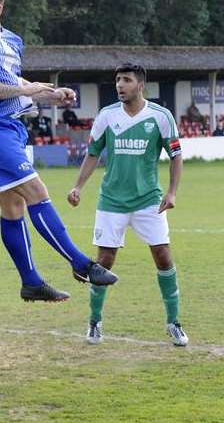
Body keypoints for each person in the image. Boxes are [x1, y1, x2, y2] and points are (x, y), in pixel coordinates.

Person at [0, 0, 117, 303]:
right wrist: (29, 89)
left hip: (9, 128)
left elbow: (12, 82)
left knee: (12, 206)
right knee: (37, 191)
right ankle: (81, 263)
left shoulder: (12, 40)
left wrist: (51, 94)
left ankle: (31, 282)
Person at [68, 63, 187, 346]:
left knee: (163, 257)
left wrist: (171, 192)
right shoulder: (107, 115)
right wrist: (78, 186)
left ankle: (174, 322)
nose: (120, 85)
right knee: (104, 261)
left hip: (149, 201)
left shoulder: (160, 116)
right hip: (111, 201)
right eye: (118, 80)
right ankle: (95, 322)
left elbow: (176, 155)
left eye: (126, 80)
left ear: (140, 84)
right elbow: (93, 153)